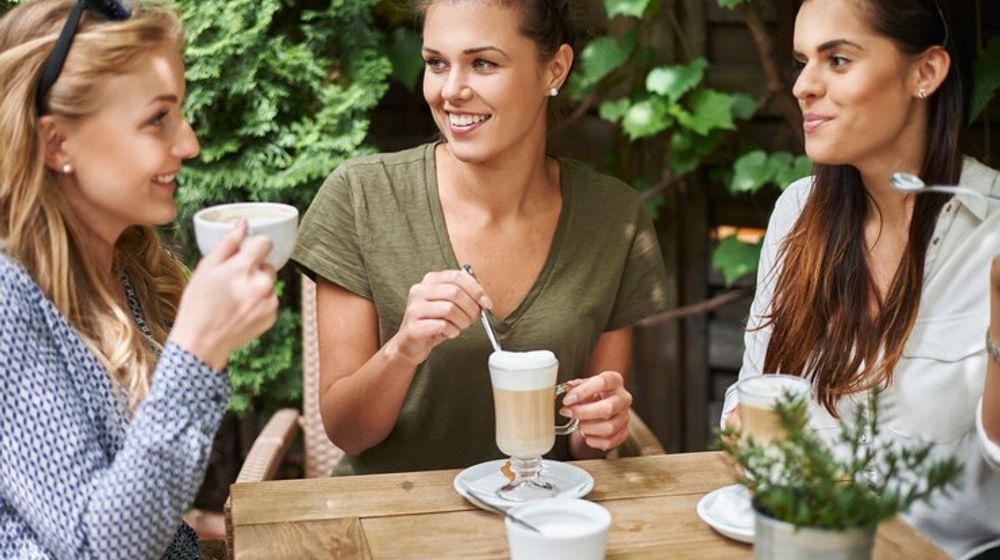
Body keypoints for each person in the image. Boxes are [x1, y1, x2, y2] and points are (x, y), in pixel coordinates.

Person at [292, 0, 668, 476]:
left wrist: (599, 424)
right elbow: (346, 431)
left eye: (483, 63)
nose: (450, 91)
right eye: (436, 63)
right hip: (390, 524)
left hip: (538, 522)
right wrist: (403, 349)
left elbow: (581, 448)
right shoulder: (360, 196)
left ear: (555, 68)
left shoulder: (613, 218)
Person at [721, 0, 1000, 557]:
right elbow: (744, 409)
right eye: (802, 61)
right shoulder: (798, 213)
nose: (803, 85)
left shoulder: (990, 226)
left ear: (925, 72)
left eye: (838, 59)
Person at [0, 0, 278, 557]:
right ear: (58, 144)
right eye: (159, 118)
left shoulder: (126, 267)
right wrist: (199, 350)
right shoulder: (9, 298)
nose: (190, 144)